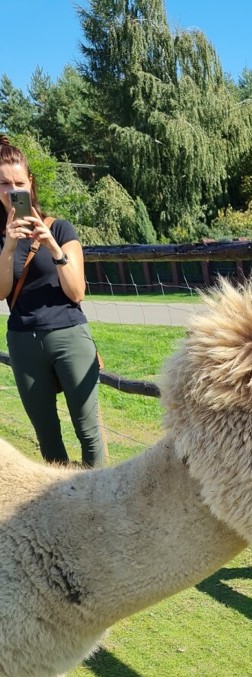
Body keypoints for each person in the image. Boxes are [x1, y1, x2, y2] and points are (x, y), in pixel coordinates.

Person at [0, 135, 106, 467]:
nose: (11, 190)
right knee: (48, 437)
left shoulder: (60, 228)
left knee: (89, 433)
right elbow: (1, 292)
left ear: (30, 183)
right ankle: (61, 508)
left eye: (18, 182)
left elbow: (77, 292)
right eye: (3, 183)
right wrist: (8, 248)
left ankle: (101, 508)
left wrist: (52, 247)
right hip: (23, 340)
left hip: (69, 334)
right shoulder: (1, 240)